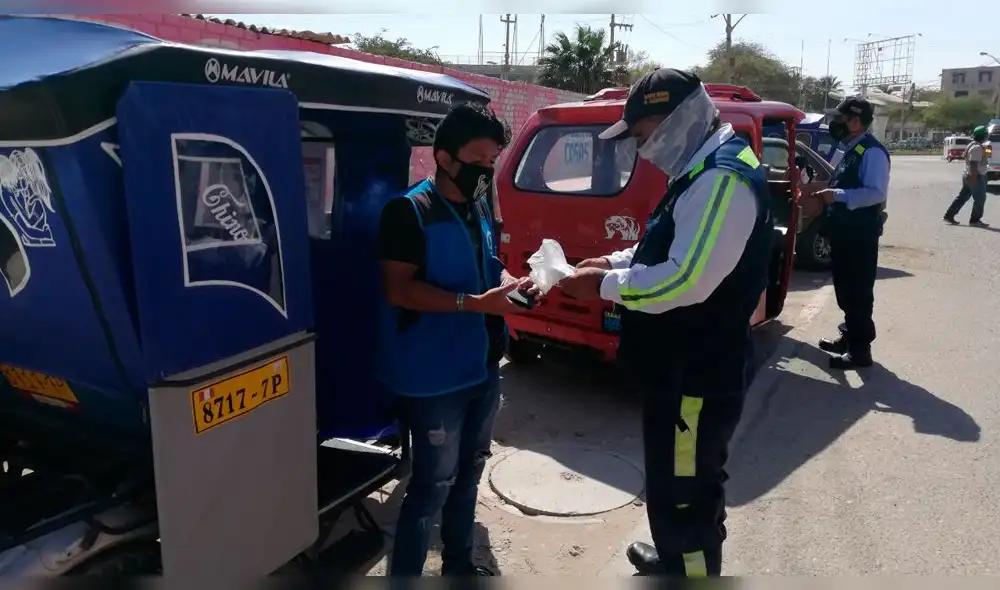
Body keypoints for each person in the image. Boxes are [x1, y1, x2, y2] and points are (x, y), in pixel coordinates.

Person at [557, 68, 775, 577]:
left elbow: (685, 282)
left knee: (686, 491)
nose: (642, 149)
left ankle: (690, 569)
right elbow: (664, 246)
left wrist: (604, 289)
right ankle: (676, 556)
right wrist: (609, 264)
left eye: (642, 135)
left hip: (696, 377)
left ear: (676, 120)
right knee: (678, 480)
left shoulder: (721, 177)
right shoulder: (700, 168)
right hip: (681, 370)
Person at [376, 103, 535, 577]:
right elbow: (398, 289)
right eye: (478, 161)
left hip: (482, 366)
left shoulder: (478, 207)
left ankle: (460, 566)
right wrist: (476, 303)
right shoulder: (408, 212)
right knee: (431, 487)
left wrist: (513, 284)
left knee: (470, 474)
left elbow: (488, 266)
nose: (486, 171)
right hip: (434, 377)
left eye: (493, 162)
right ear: (444, 158)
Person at [811, 97, 890, 370]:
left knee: (857, 292)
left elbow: (876, 193)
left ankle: (860, 350)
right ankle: (849, 338)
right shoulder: (851, 148)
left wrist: (838, 195)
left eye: (841, 119)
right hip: (845, 232)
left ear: (856, 121)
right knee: (846, 290)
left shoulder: (873, 152)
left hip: (860, 234)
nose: (836, 124)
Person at [943, 125, 990, 227]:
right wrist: (974, 179)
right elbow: (974, 163)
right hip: (974, 175)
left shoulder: (974, 145)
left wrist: (986, 151)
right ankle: (975, 220)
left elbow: (984, 157)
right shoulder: (976, 147)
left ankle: (949, 215)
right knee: (980, 199)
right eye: (986, 134)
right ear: (983, 136)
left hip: (968, 174)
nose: (987, 136)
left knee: (962, 197)